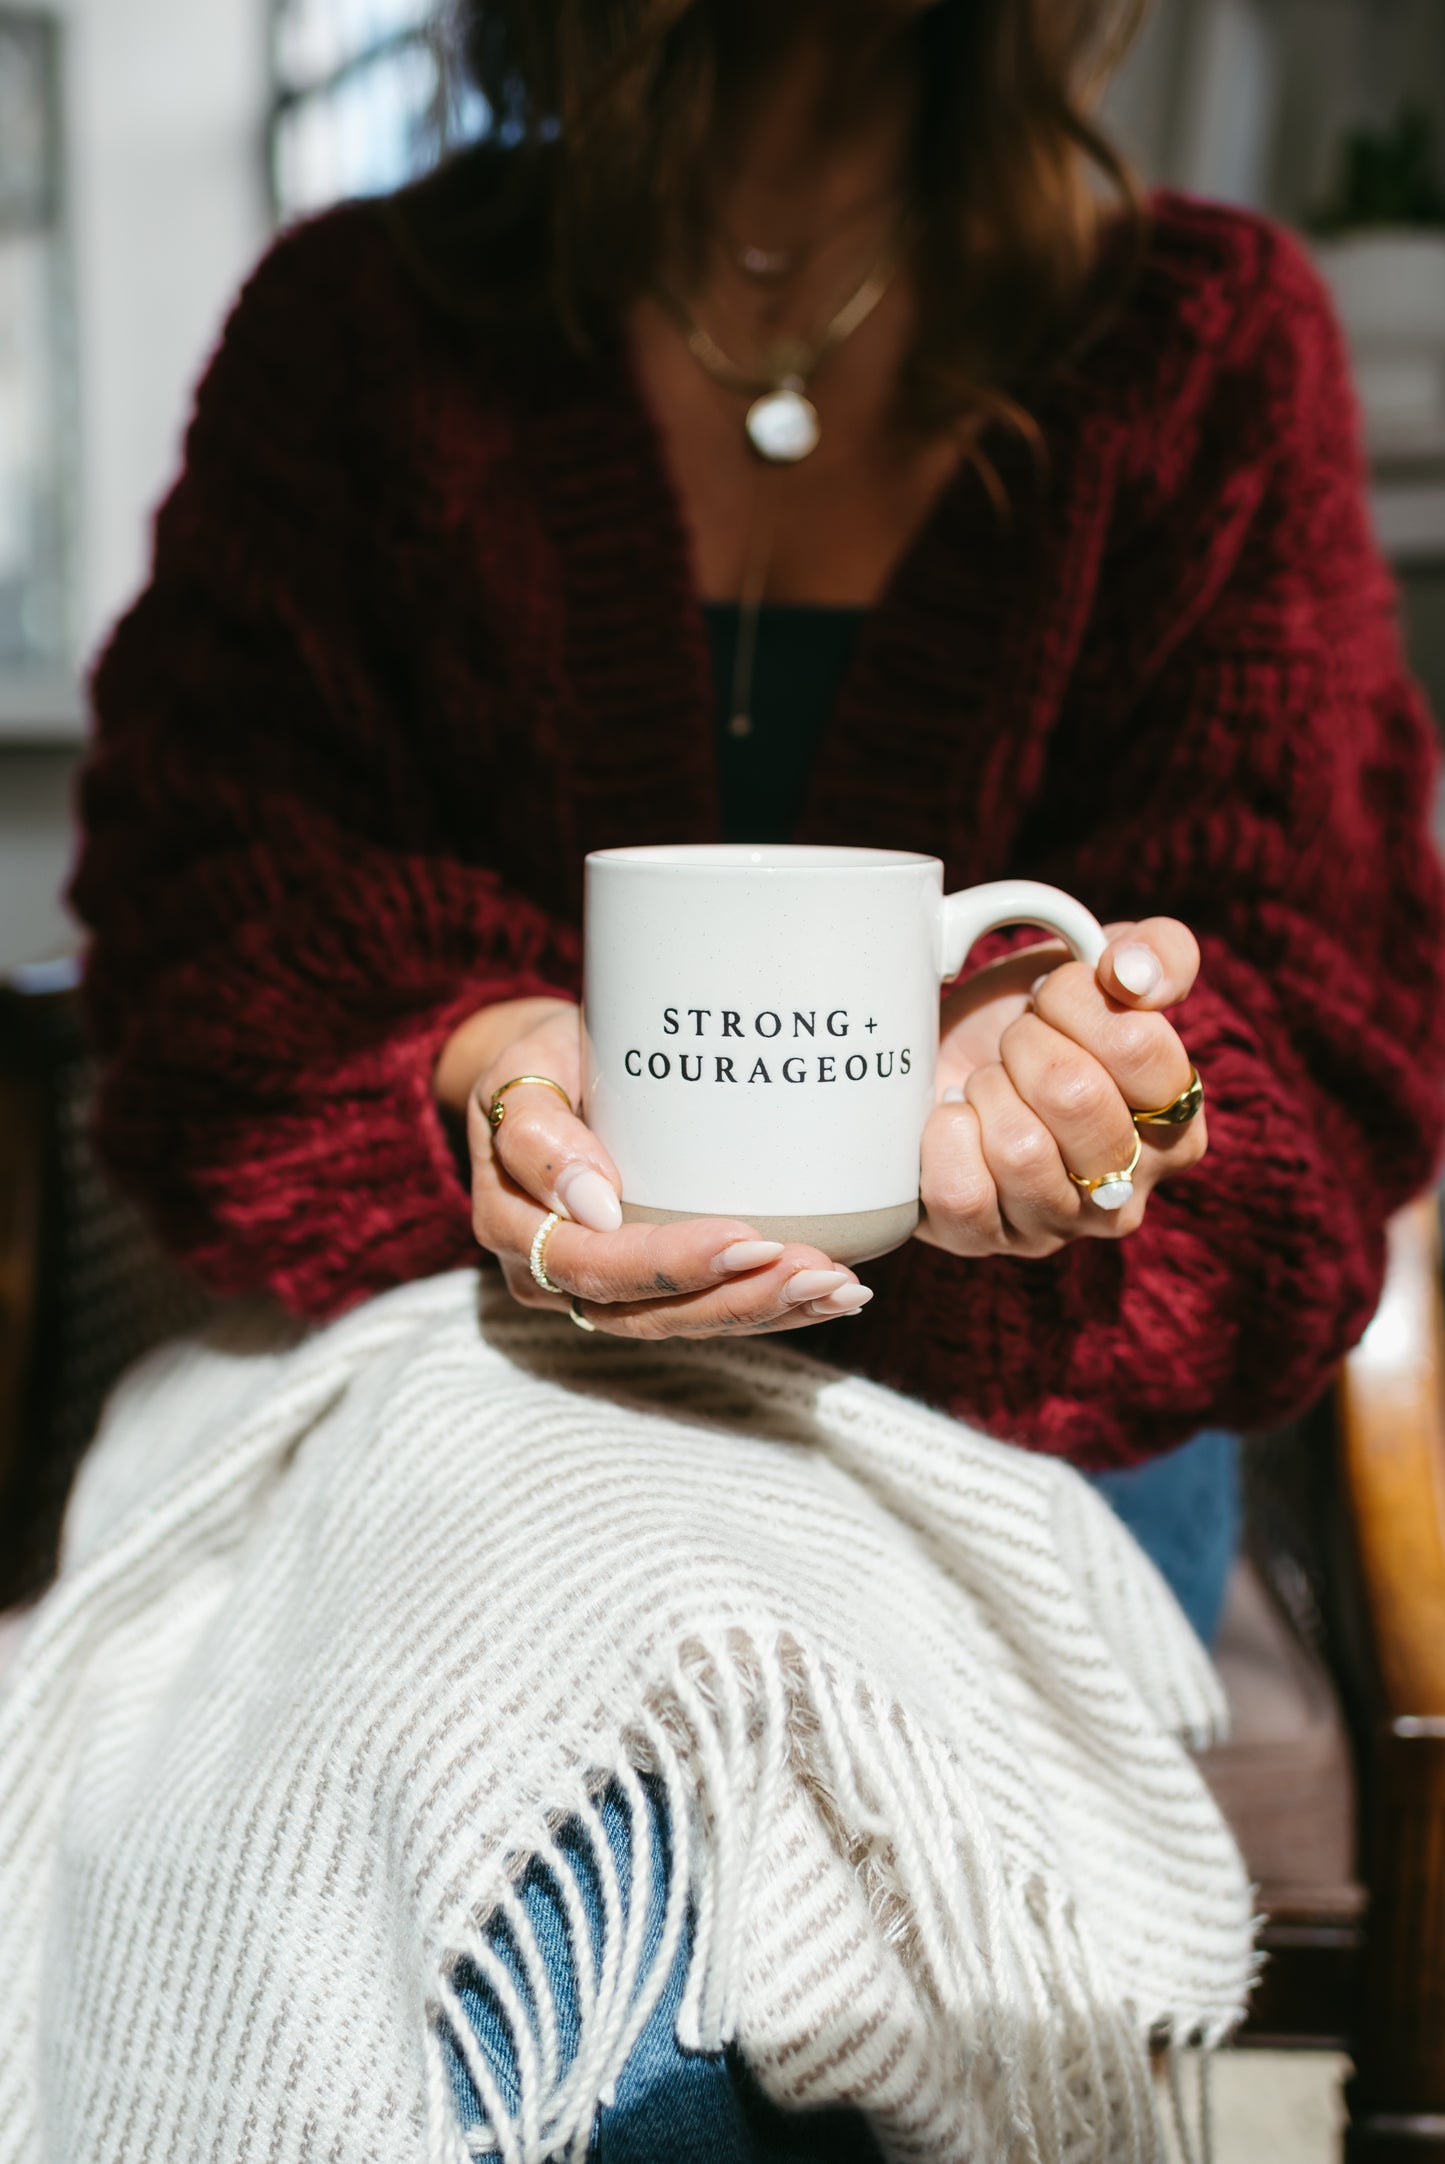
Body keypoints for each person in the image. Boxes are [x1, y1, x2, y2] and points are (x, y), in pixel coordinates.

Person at [57, 0, 1445, 2152]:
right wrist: (491, 1061)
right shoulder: (360, 339)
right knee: (531, 1843)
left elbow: (1315, 1015)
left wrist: (1092, 1098)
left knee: (683, 1920)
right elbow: (198, 919)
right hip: (445, 1348)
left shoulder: (1196, 347)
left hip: (1022, 1392)